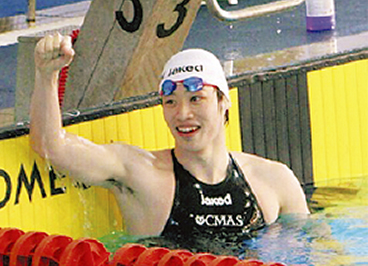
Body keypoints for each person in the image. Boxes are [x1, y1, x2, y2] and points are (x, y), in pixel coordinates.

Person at [30, 33, 310, 251]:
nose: (182, 114)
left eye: (195, 99)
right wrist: (46, 75)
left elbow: (309, 260)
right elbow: (51, 147)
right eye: (170, 102)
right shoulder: (141, 174)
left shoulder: (275, 181)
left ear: (223, 101)